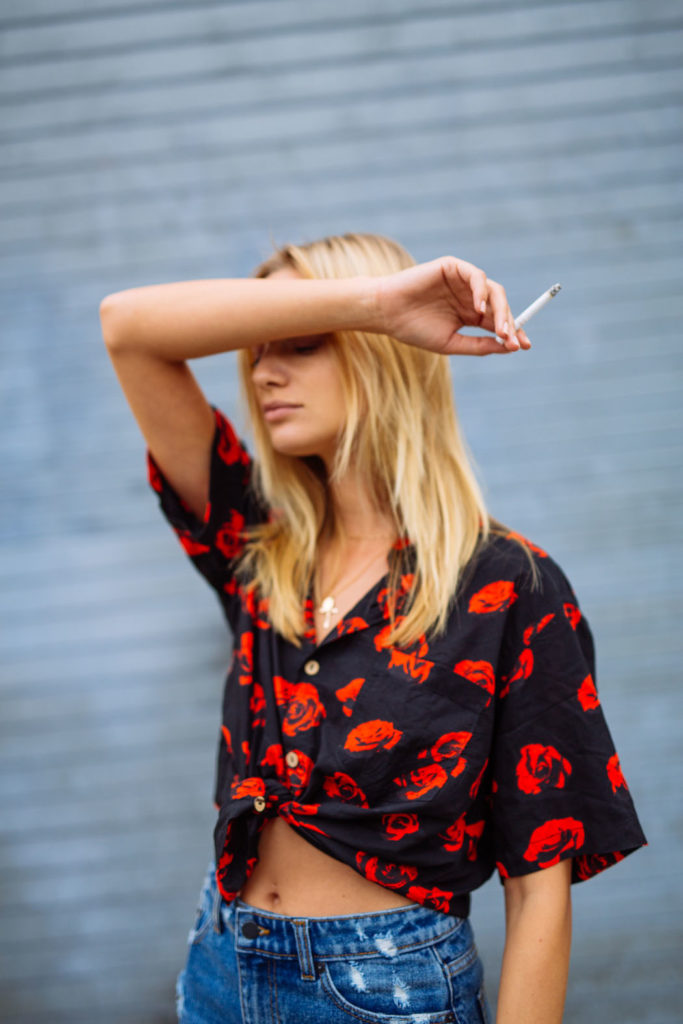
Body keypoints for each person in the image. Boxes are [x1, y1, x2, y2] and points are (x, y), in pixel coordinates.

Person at [99, 232, 647, 1024]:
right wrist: (371, 302)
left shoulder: (508, 586)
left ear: (383, 352)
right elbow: (127, 328)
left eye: (301, 343)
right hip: (220, 964)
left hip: (386, 989)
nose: (263, 373)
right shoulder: (256, 545)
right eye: (256, 349)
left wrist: (377, 314)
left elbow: (539, 890)